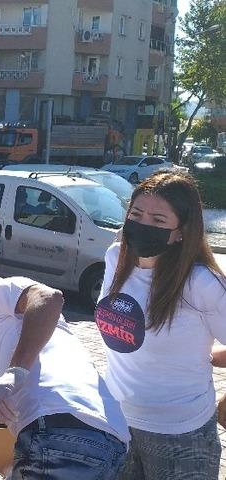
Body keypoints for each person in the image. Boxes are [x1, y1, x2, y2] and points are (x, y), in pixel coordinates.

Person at [95, 171, 226, 479]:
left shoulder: (201, 283)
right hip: (118, 424)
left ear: (180, 232)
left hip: (180, 437)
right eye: (136, 214)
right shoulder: (116, 260)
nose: (143, 225)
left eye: (158, 220)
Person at [0, 270, 129, 479]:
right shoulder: (18, 335)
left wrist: (15, 372)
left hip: (58, 426)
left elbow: (49, 297)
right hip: (110, 439)